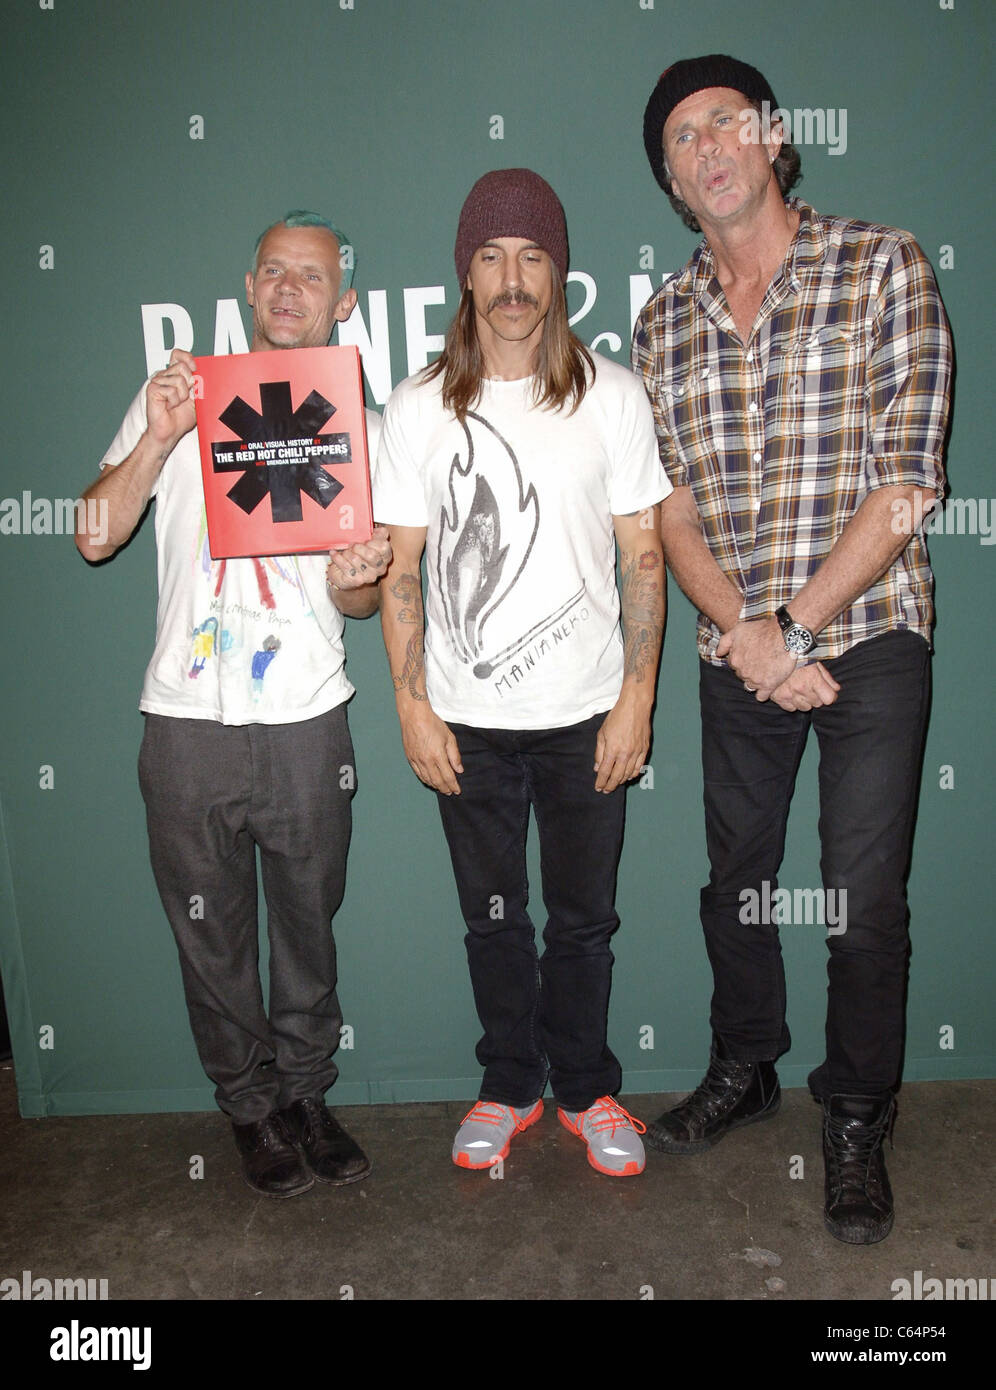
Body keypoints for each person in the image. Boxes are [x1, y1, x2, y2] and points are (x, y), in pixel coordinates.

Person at [633, 56, 952, 1241]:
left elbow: (908, 482)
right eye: (680, 138)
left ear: (772, 137)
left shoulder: (883, 263)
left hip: (864, 633)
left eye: (725, 122)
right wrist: (746, 634)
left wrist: (796, 628)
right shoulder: (663, 321)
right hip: (740, 645)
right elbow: (670, 511)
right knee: (739, 886)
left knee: (864, 903)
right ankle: (747, 1066)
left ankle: (857, 1111)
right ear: (670, 179)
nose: (706, 147)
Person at [75, 211, 392, 1198]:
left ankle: (305, 1092)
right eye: (273, 273)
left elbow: (359, 597)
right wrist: (161, 437)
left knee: (308, 923)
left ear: (344, 304)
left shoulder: (359, 426)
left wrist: (361, 572)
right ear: (249, 289)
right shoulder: (178, 397)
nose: (290, 288)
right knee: (209, 933)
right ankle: (250, 1110)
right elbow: (91, 533)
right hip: (185, 718)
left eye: (313, 276)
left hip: (306, 716)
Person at [374, 169, 668, 1178]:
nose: (512, 278)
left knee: (585, 922)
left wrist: (638, 698)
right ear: (466, 274)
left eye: (532, 256)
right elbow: (401, 566)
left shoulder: (614, 395)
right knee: (493, 922)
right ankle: (508, 1084)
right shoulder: (415, 410)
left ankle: (585, 1089)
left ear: (559, 273)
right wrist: (412, 707)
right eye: (492, 257)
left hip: (589, 711)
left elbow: (643, 555)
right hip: (467, 717)